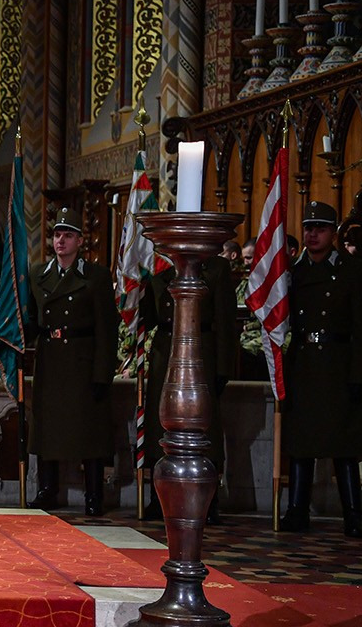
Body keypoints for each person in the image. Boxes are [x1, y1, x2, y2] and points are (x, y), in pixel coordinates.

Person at [279, 201, 362, 538]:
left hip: (339, 364)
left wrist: (360, 374)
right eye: (308, 228)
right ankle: (296, 510)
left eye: (320, 228)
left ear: (333, 233)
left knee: (344, 445)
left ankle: (353, 514)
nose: (312, 234)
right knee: (301, 444)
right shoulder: (294, 273)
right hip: (305, 364)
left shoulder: (351, 269)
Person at [27, 208, 117, 515]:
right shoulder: (39, 274)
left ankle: (94, 495)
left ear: (80, 240)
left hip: (82, 358)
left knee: (89, 431)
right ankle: (47, 489)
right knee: (47, 428)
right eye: (56, 235)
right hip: (50, 358)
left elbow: (107, 329)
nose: (60, 241)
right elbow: (31, 319)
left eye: (67, 235)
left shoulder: (96, 276)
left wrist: (102, 372)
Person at [138, 252, 237, 522]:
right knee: (159, 426)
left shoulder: (215, 268)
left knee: (205, 428)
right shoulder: (156, 267)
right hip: (166, 350)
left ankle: (208, 500)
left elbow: (225, 320)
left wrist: (223, 368)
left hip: (201, 349)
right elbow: (148, 315)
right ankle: (158, 498)